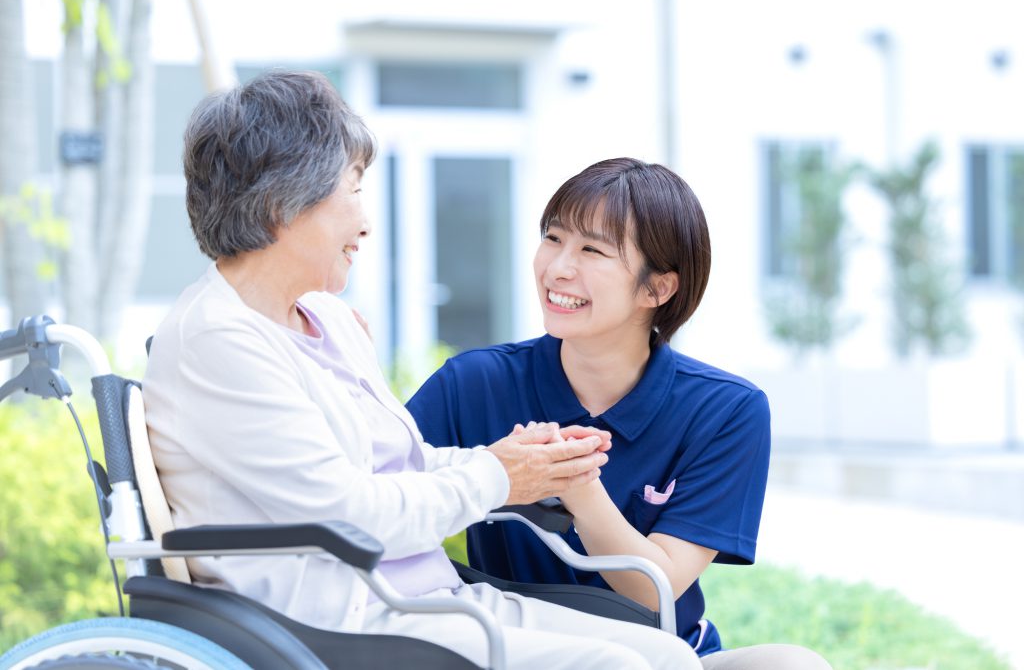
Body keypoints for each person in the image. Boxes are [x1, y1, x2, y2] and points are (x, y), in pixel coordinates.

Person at [143, 71, 702, 670]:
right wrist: (496, 475)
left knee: (665, 654)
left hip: (424, 598)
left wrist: (519, 461)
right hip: (343, 622)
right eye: (353, 188)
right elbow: (353, 518)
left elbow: (395, 464)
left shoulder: (322, 320)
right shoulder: (218, 341)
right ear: (285, 202)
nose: (365, 222)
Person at [407, 158, 832, 669]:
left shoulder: (726, 409)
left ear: (658, 289)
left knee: (793, 664)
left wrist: (575, 485)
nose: (557, 267)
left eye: (592, 250)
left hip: (667, 652)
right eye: (552, 237)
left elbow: (653, 591)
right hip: (516, 644)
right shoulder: (471, 383)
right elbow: (380, 496)